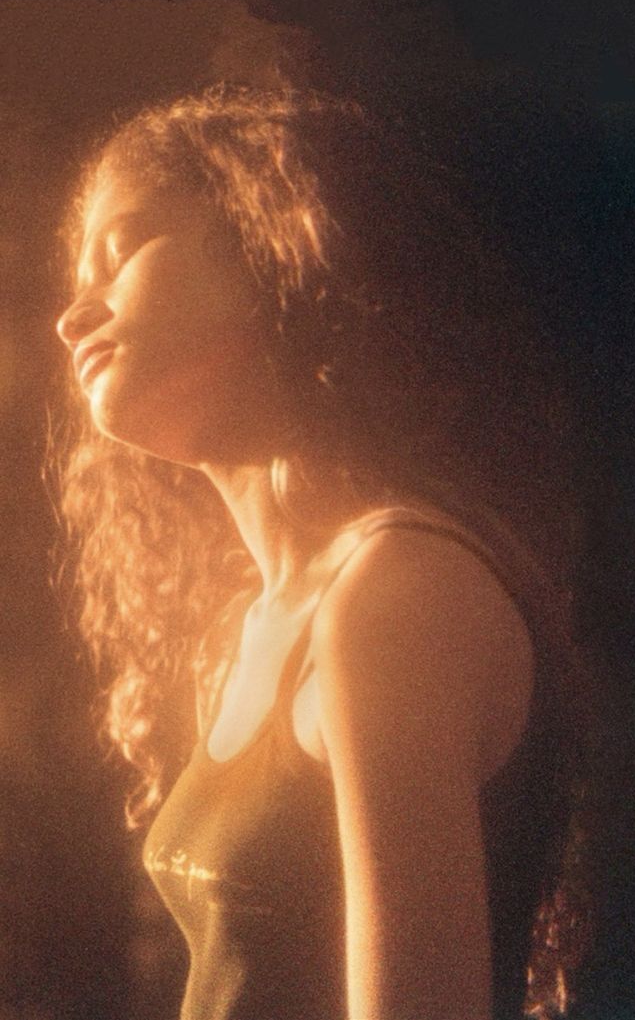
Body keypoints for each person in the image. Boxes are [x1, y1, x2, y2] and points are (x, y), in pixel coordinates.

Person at [52, 81, 590, 1020]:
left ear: (270, 241)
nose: (72, 316)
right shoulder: (253, 625)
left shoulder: (397, 593)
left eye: (121, 249)